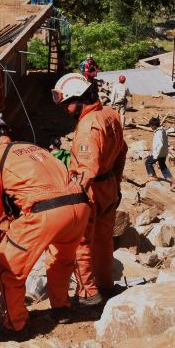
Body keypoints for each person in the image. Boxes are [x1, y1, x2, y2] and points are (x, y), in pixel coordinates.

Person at [0, 113, 91, 339]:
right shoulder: (33, 148)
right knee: (61, 260)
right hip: (80, 205)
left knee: (8, 269)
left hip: (46, 211)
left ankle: (16, 326)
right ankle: (61, 309)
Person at [52, 73, 127, 306]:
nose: (66, 109)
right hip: (109, 187)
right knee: (104, 241)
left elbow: (86, 169)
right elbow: (121, 153)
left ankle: (88, 293)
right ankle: (105, 285)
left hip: (91, 191)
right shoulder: (110, 115)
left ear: (79, 98)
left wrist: (73, 201)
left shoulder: (88, 125)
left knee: (81, 242)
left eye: (67, 103)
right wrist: (117, 183)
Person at [145, 117, 175, 187]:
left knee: (148, 162)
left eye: (151, 126)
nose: (150, 127)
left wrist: (155, 155)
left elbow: (160, 144)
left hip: (159, 153)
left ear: (154, 125)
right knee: (163, 166)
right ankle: (173, 181)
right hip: (164, 152)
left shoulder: (158, 133)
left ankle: (153, 176)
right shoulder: (163, 130)